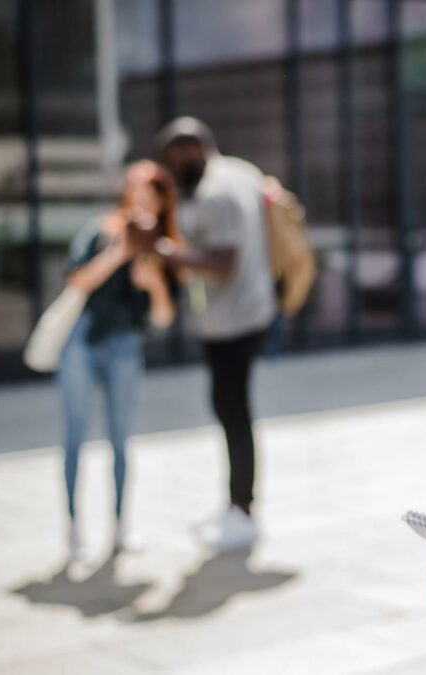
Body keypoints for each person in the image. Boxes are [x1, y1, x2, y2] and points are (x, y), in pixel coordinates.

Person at [153, 117, 277, 553]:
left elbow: (223, 261)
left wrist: (170, 254)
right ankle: (238, 504)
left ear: (193, 151)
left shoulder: (216, 191)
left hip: (233, 321)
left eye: (174, 161)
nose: (172, 172)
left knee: (232, 410)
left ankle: (242, 508)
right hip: (250, 312)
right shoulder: (241, 171)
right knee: (232, 408)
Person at [60, 160, 181, 561]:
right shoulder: (101, 231)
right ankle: (74, 526)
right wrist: (117, 254)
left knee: (120, 439)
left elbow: (164, 317)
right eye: (138, 194)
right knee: (75, 435)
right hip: (84, 340)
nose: (143, 204)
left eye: (152, 197)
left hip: (126, 345)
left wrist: (153, 283)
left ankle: (119, 526)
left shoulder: (162, 247)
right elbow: (76, 281)